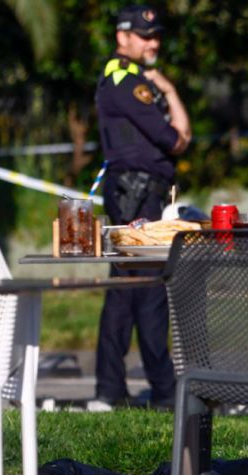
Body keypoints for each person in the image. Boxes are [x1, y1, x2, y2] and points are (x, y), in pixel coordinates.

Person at [90, 4, 191, 410]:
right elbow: (175, 139)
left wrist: (168, 89)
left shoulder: (140, 81)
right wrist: (164, 95)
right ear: (122, 37)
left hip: (142, 192)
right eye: (144, 35)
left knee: (131, 290)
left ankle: (115, 389)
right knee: (140, 291)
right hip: (135, 194)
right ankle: (159, 390)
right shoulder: (126, 80)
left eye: (156, 36)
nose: (153, 42)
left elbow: (183, 137)